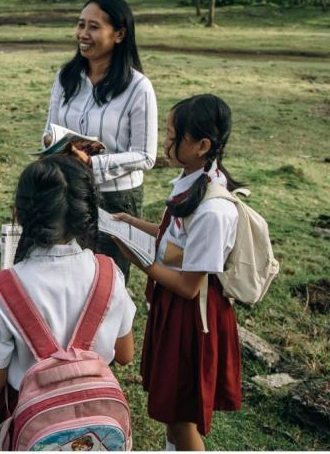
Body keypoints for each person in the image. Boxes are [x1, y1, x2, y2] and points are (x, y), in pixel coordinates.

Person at [0, 154, 136, 451]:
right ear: (85, 214)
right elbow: (124, 354)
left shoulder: (3, 289)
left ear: (18, 214)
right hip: (97, 424)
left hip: (28, 418)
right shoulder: (109, 274)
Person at [112, 94, 242, 451]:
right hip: (174, 311)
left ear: (202, 145)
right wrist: (132, 224)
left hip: (191, 320)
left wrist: (140, 260)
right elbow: (176, 235)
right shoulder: (192, 179)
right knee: (174, 413)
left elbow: (189, 286)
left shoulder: (215, 210)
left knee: (180, 418)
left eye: (173, 136)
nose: (165, 143)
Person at [43, 0, 158, 284]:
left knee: (108, 280)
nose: (83, 34)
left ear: (119, 35)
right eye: (81, 25)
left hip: (116, 199)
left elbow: (146, 155)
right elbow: (49, 129)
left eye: (93, 27)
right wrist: (52, 143)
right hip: (67, 189)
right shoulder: (66, 77)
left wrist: (94, 164)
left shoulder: (138, 88)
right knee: (67, 275)